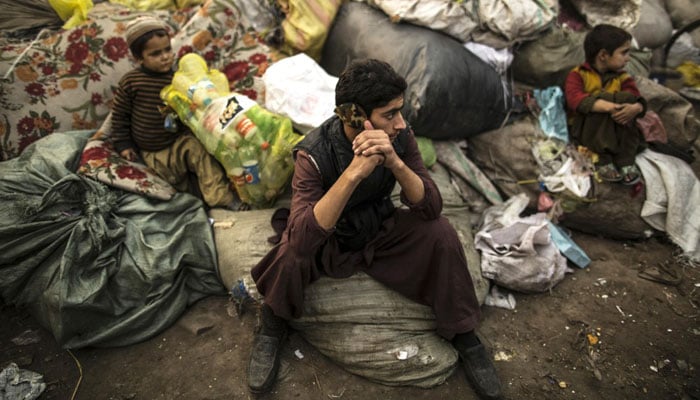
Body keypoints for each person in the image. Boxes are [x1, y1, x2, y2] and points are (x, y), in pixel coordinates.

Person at [247, 59, 502, 400]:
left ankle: (462, 332)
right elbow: (306, 239)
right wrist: (353, 174)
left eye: (400, 111)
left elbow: (430, 205)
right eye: (389, 114)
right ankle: (273, 323)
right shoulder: (313, 154)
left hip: (378, 227)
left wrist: (395, 162)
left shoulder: (400, 137)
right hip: (330, 236)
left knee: (440, 232)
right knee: (291, 250)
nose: (400, 123)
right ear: (354, 116)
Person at [111, 16, 238, 209]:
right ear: (139, 58)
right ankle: (195, 199)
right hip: (152, 154)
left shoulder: (178, 79)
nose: (165, 56)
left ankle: (221, 198)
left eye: (167, 49)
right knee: (182, 194)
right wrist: (123, 144)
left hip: (178, 144)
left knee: (200, 151)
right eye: (155, 54)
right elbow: (120, 115)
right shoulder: (131, 82)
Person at [564, 24, 647, 185]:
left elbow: (636, 97)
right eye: (624, 53)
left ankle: (625, 160)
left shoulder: (622, 77)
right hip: (586, 133)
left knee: (627, 98)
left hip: (616, 129)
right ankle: (602, 159)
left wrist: (635, 108)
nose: (628, 58)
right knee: (600, 100)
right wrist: (609, 107)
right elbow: (576, 100)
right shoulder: (578, 75)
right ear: (603, 55)